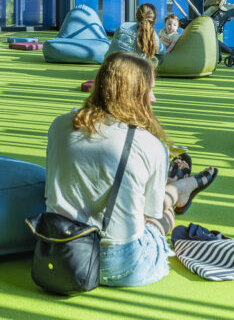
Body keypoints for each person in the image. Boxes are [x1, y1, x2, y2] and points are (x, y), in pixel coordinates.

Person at [45, 51, 219, 287]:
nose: (154, 98)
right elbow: (150, 213)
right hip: (119, 265)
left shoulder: (59, 125)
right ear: (133, 94)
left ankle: (174, 186)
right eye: (149, 90)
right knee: (163, 220)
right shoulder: (151, 145)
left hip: (59, 251)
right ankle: (180, 189)